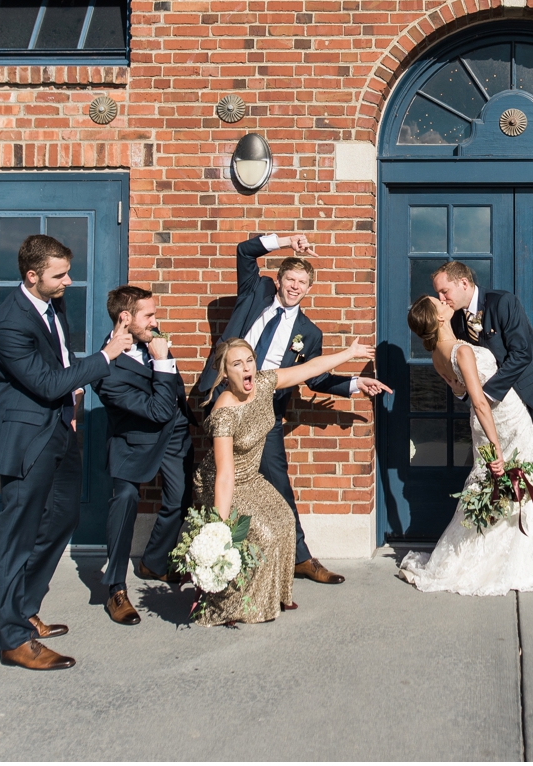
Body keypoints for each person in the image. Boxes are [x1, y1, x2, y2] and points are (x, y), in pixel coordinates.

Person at [194, 231, 391, 587]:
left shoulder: (308, 333)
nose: (295, 286)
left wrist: (354, 385)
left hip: (265, 411)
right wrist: (287, 241)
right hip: (224, 397)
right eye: (290, 279)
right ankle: (199, 555)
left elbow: (314, 378)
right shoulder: (255, 293)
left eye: (302, 282)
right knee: (210, 477)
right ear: (279, 279)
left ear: (309, 288)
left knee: (278, 481)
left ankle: (302, 558)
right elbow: (244, 250)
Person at [0, 234, 134, 670]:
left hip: (60, 429)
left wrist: (73, 407)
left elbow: (62, 363)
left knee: (64, 515)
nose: (69, 280)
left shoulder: (53, 304)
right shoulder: (8, 324)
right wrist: (106, 355)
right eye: (59, 274)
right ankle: (13, 637)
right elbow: (47, 383)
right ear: (32, 277)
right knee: (17, 537)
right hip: (27, 440)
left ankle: (24, 608)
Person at [194, 334, 376, 625]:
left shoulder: (264, 383)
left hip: (250, 478)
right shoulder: (224, 412)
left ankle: (271, 594)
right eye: (237, 364)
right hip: (222, 483)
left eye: (249, 361)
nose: (246, 369)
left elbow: (311, 369)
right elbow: (225, 474)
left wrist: (350, 352)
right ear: (225, 374)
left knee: (284, 520)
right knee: (263, 533)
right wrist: (220, 527)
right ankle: (232, 604)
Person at [433, 261, 533, 596]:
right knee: (505, 478)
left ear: (464, 283)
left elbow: (522, 353)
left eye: (445, 290)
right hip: (501, 415)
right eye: (439, 293)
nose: (441, 298)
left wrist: (485, 395)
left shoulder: (503, 302)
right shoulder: (454, 320)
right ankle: (511, 556)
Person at [397, 296, 533, 595]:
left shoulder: (436, 355)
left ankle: (490, 555)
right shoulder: (463, 350)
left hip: (483, 424)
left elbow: (460, 391)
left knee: (490, 486)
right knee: (517, 481)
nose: (444, 301)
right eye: (438, 302)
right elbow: (479, 401)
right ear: (439, 318)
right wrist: (497, 450)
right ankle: (515, 565)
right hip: (503, 420)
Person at [91, 285, 192, 627]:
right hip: (133, 441)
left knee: (180, 499)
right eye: (148, 315)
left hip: (174, 433)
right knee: (125, 498)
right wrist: (163, 360)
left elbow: (172, 395)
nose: (155, 320)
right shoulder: (107, 371)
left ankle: (153, 561)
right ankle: (115, 588)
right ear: (125, 318)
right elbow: (156, 409)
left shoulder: (152, 338)